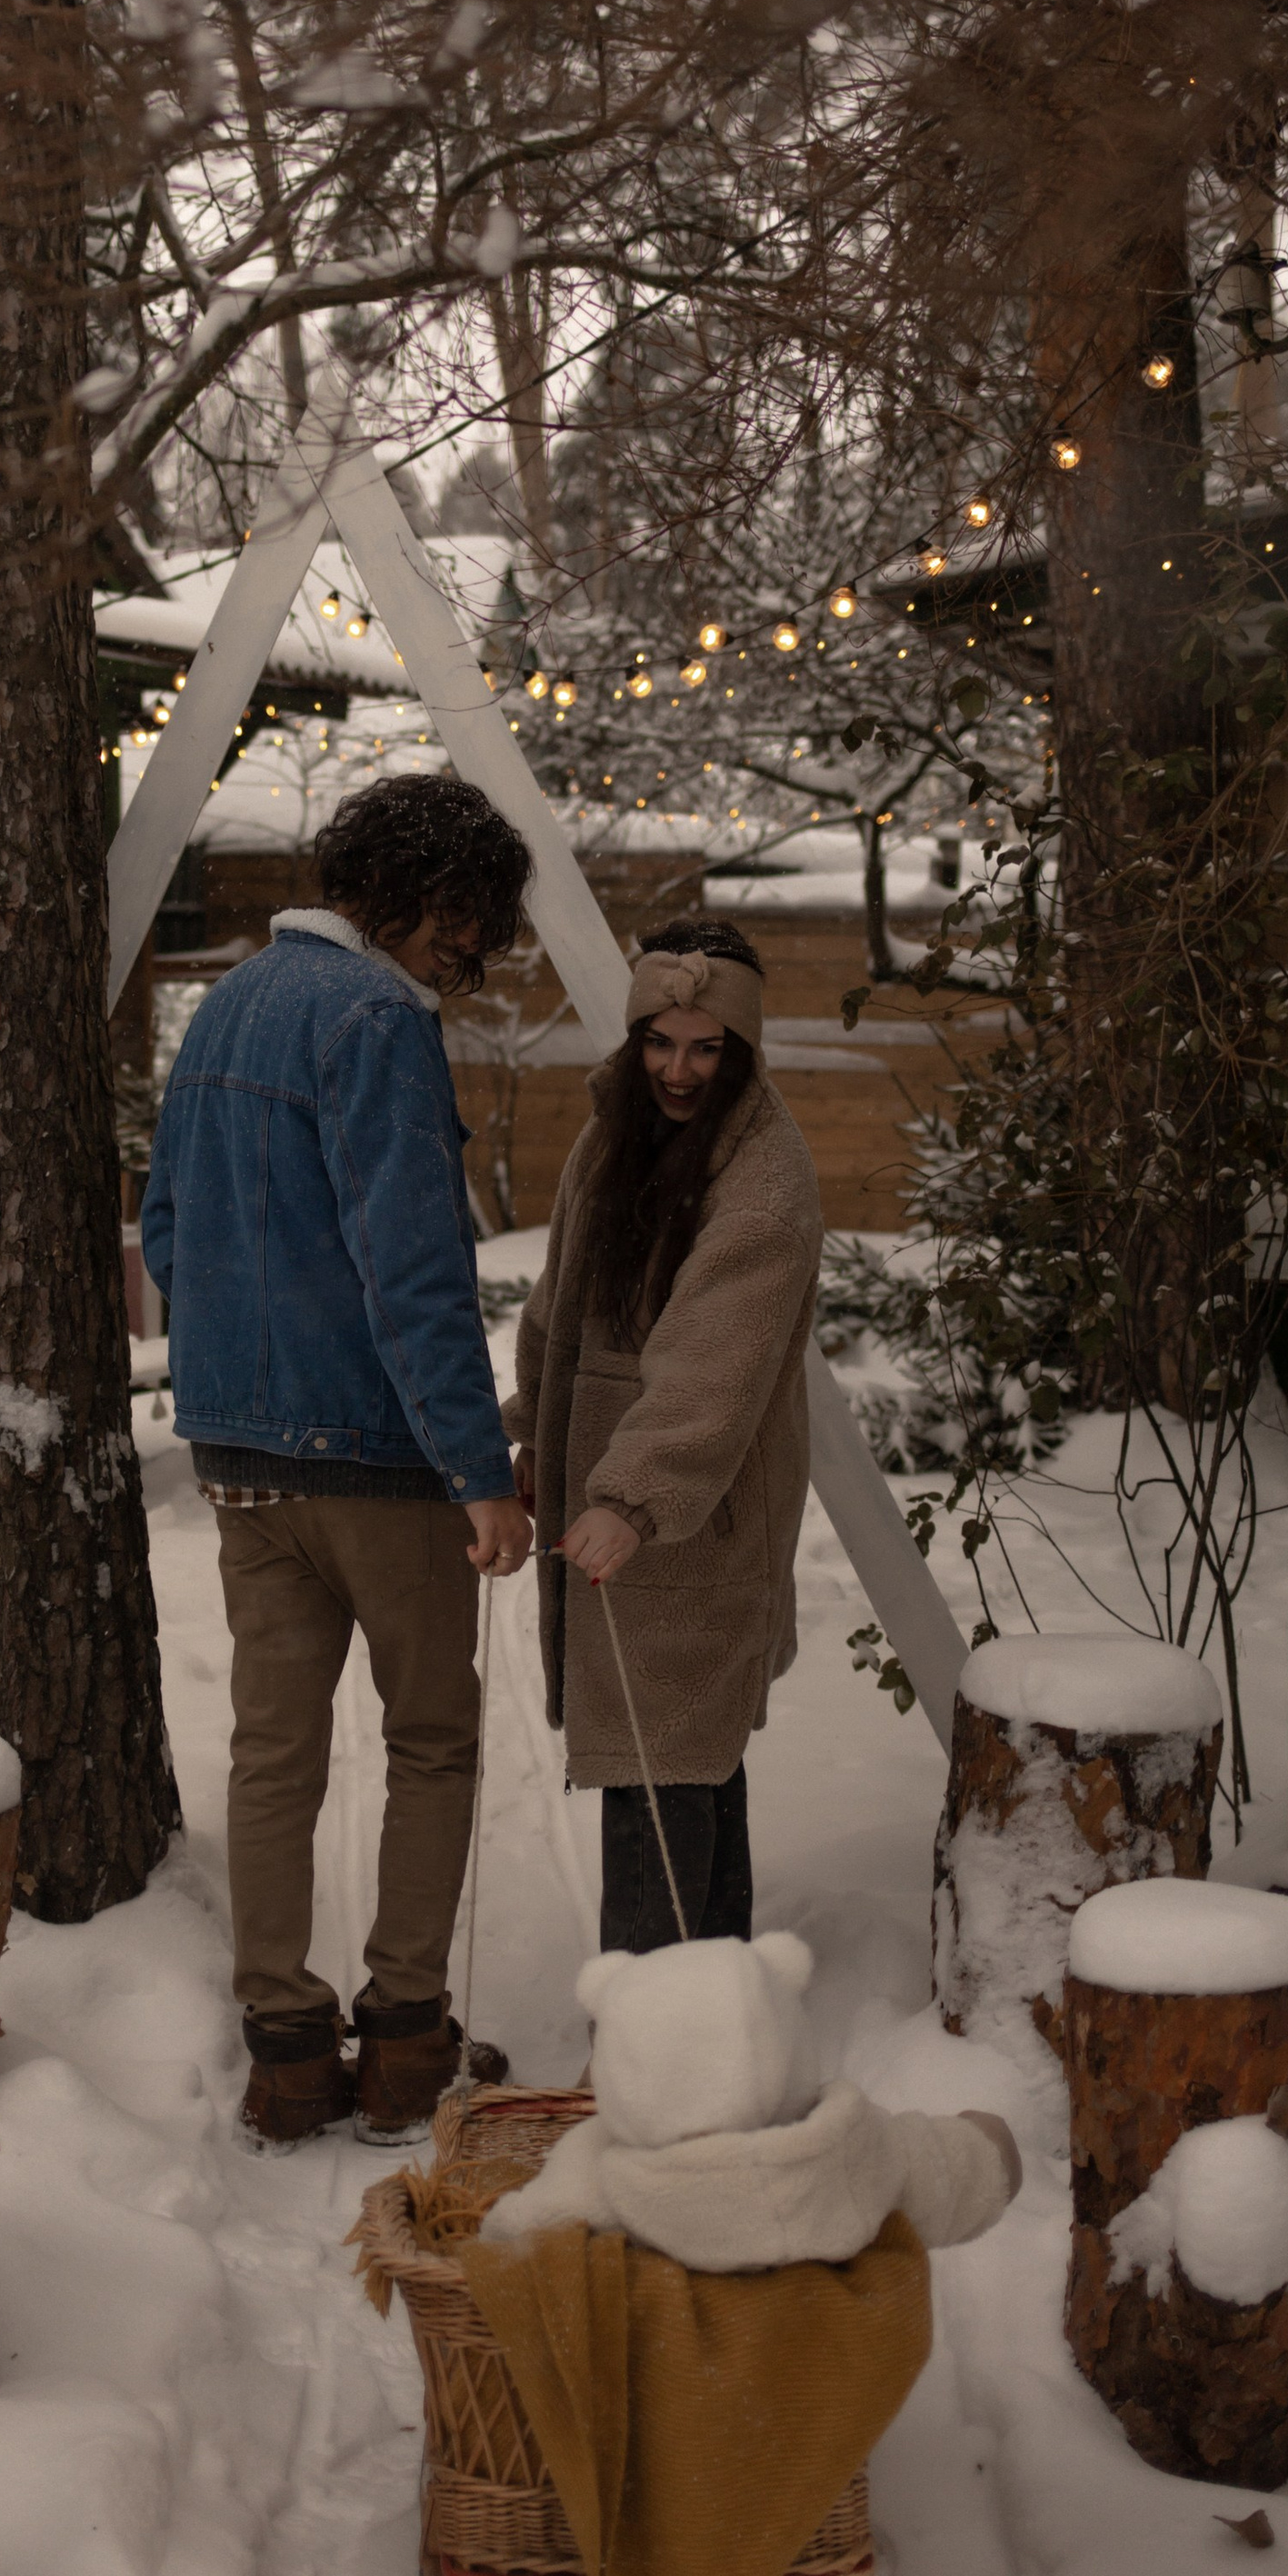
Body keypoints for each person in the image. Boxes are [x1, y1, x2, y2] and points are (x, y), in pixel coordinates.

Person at [142, 774, 537, 2151]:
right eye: (465, 926)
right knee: (432, 1740)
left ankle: (289, 2050)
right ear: (412, 894)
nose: (470, 959)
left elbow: (167, 1227)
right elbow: (414, 1271)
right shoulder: (376, 1019)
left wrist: (225, 1375)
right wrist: (478, 1470)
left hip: (242, 1455)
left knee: (273, 1753)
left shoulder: (232, 1009)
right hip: (376, 1455)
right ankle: (407, 2041)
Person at [505, 917, 823, 1952]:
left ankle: (654, 2043)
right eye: (659, 1041)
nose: (677, 1070)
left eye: (704, 1048)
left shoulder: (765, 1174)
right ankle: (710, 2020)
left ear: (741, 1050)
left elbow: (714, 1356)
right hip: (612, 1501)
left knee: (667, 1765)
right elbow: (560, 1305)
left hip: (693, 1512)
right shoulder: (612, 1136)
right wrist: (528, 1432)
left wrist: (632, 1493)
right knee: (679, 1767)